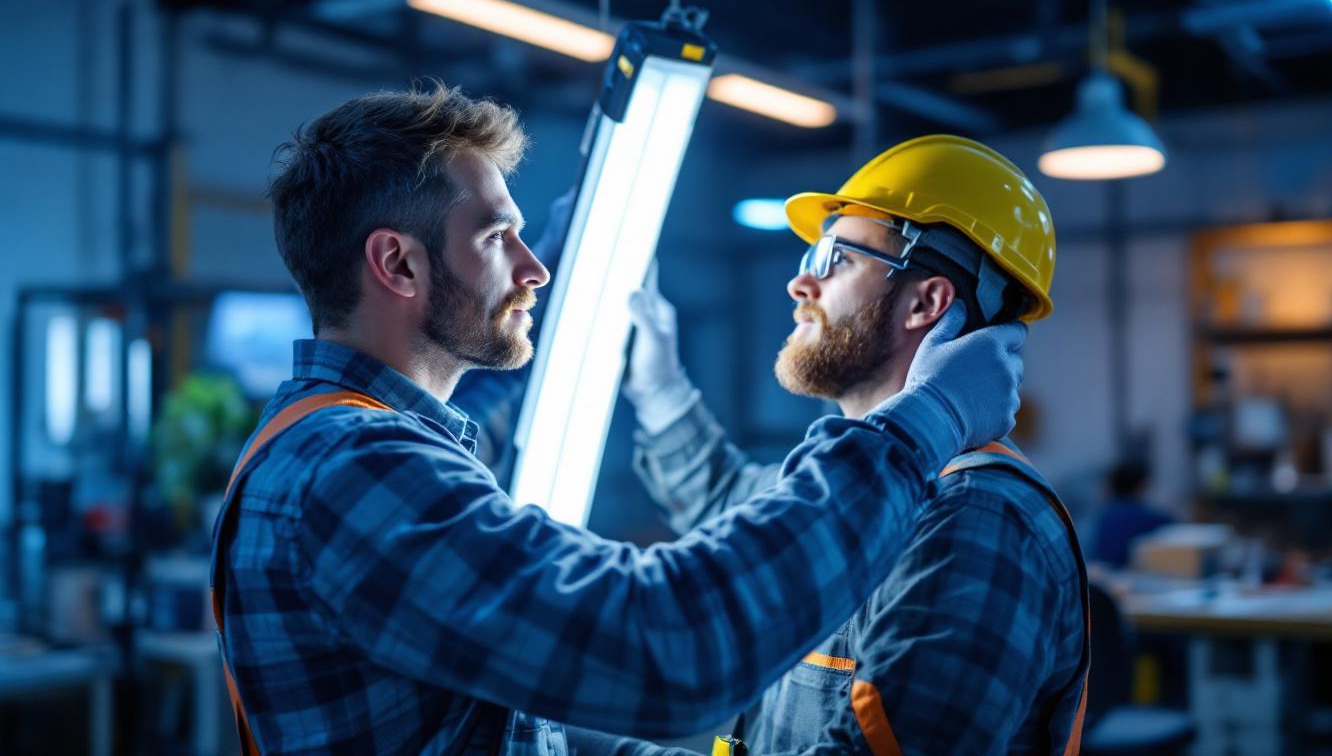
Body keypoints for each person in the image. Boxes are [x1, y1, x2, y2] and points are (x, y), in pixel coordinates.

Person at [210, 85, 1029, 755]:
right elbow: (671, 649)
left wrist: (656, 376)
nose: (535, 271)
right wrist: (922, 424)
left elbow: (485, 727)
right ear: (398, 264)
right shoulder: (352, 473)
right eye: (500, 237)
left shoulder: (363, 443)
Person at [608, 135, 1090, 755]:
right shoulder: (854, 487)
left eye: (834, 256)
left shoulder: (976, 518)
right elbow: (726, 501)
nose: (799, 283)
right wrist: (659, 384)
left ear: (925, 302)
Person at [1091, 458, 1173, 569]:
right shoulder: (1145, 516)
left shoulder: (1104, 514)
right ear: (1141, 486)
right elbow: (1177, 528)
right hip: (1125, 575)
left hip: (1102, 573)